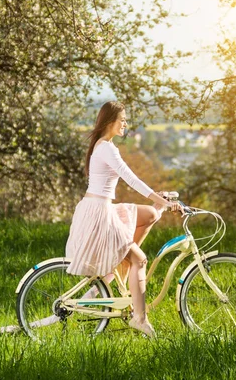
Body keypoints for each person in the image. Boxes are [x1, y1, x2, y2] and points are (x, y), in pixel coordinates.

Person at [65, 100, 179, 338]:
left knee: (149, 214)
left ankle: (121, 268)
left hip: (98, 207)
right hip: (99, 213)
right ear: (110, 121)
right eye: (123, 119)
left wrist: (159, 200)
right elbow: (131, 179)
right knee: (140, 259)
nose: (126, 123)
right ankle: (139, 319)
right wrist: (167, 202)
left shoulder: (103, 145)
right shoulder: (106, 148)